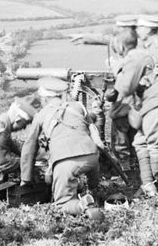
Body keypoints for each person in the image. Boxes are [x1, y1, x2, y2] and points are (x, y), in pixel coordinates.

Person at [20, 76, 105, 219]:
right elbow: (92, 128)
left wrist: (26, 179)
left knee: (61, 204)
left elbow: (29, 148)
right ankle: (94, 192)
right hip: (92, 155)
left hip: (66, 160)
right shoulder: (78, 106)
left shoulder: (41, 115)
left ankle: (82, 205)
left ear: (44, 98)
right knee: (92, 184)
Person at [109, 29, 158, 197]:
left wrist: (115, 69)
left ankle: (156, 187)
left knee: (155, 145)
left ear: (121, 46)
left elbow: (124, 87)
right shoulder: (143, 54)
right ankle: (148, 184)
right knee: (140, 142)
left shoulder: (135, 57)